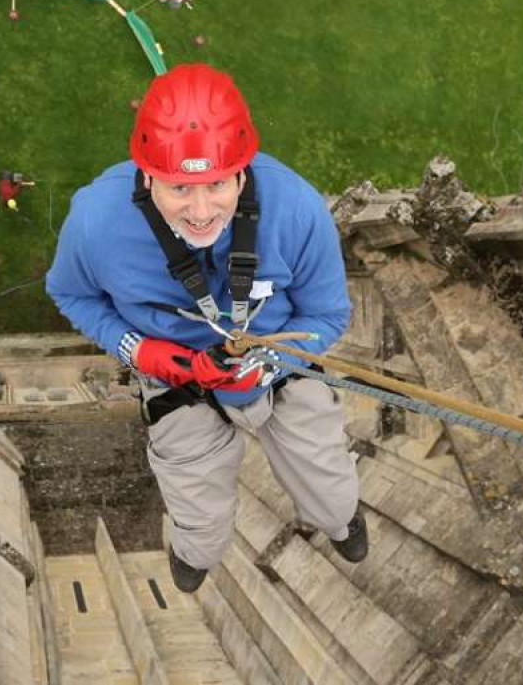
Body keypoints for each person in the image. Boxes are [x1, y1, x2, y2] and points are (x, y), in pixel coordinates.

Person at [46, 63, 366, 592]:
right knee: (199, 514)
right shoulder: (95, 223)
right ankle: (196, 548)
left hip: (275, 363)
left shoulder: (299, 211)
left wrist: (269, 365)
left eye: (216, 183)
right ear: (146, 175)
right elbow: (71, 293)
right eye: (178, 187)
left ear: (242, 172)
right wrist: (141, 351)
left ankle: (341, 519)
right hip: (176, 374)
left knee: (328, 487)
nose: (199, 212)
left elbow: (328, 315)